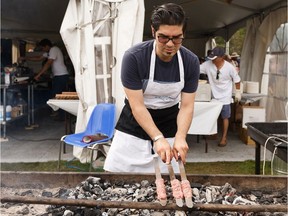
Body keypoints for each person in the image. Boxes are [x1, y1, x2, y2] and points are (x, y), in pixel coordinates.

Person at [104, 3, 200, 173]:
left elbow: (186, 106)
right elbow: (137, 105)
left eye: (177, 38)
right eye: (163, 37)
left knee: (169, 179)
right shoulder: (134, 57)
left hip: (169, 121)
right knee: (117, 176)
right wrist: (157, 137)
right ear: (153, 32)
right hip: (134, 124)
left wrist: (181, 136)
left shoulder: (190, 62)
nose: (170, 44)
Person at [200, 47, 241, 147]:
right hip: (213, 95)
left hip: (225, 96)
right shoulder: (208, 65)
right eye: (211, 57)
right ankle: (213, 134)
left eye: (215, 58)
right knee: (212, 115)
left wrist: (238, 92)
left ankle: (224, 138)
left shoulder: (229, 67)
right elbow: (195, 69)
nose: (212, 60)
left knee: (225, 117)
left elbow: (237, 80)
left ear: (222, 57)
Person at [20, 39, 69, 120]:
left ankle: (62, 116)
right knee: (59, 95)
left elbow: (48, 63)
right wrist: (25, 58)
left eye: (43, 48)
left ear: (47, 46)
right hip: (59, 76)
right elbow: (38, 58)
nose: (42, 50)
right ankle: (62, 115)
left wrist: (39, 74)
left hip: (61, 76)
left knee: (57, 95)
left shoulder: (54, 49)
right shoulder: (50, 52)